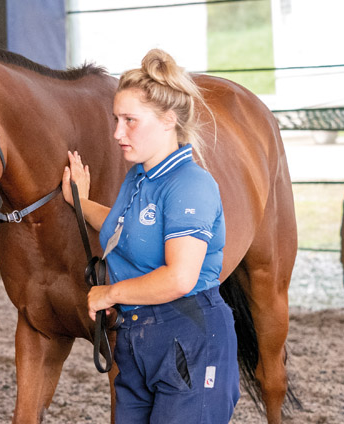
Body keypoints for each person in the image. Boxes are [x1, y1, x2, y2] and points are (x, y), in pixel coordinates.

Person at [61, 49, 240, 424]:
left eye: (129, 120)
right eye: (116, 119)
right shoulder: (140, 177)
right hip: (137, 337)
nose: (116, 133)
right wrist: (80, 200)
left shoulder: (190, 185)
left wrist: (111, 293)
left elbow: (180, 278)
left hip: (188, 336)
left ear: (167, 121)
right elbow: (123, 225)